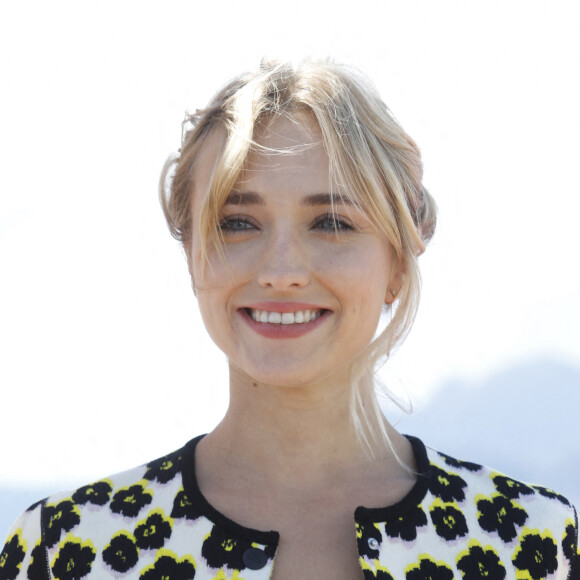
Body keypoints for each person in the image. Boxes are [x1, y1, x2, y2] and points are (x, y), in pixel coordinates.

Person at [1, 59, 577, 580]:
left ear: (397, 262)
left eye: (331, 223)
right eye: (237, 223)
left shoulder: (532, 544)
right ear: (191, 255)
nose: (281, 271)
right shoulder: (63, 550)